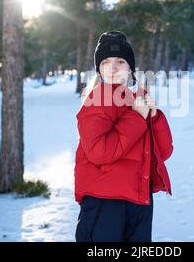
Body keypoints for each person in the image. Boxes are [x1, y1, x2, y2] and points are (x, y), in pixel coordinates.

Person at [74, 30, 173, 242]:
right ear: (99, 69)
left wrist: (155, 118)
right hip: (106, 202)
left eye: (120, 61)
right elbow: (99, 152)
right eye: (106, 62)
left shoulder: (139, 98)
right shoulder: (97, 100)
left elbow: (163, 153)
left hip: (139, 200)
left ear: (130, 67)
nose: (113, 68)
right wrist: (137, 117)